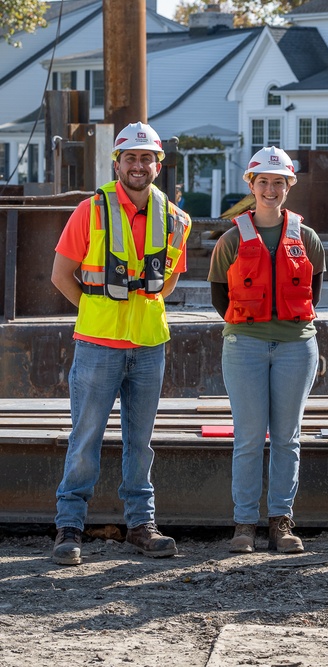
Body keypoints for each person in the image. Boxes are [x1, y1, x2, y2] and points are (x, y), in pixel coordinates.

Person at [49, 121, 192, 565]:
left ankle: (140, 526)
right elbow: (60, 275)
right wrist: (97, 310)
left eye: (146, 157)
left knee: (141, 440)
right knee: (85, 437)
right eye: (130, 157)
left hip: (149, 344)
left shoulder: (175, 219)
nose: (138, 165)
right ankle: (69, 527)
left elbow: (166, 285)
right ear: (117, 162)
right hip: (98, 343)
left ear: (158, 164)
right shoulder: (89, 212)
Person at [207, 146, 325, 554]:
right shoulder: (230, 239)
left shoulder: (306, 238)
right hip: (245, 346)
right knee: (249, 437)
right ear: (251, 186)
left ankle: (280, 520)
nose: (270, 189)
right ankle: (244, 524)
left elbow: (315, 292)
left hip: (296, 346)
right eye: (263, 182)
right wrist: (252, 324)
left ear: (289, 186)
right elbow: (219, 296)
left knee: (288, 437)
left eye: (279, 182)